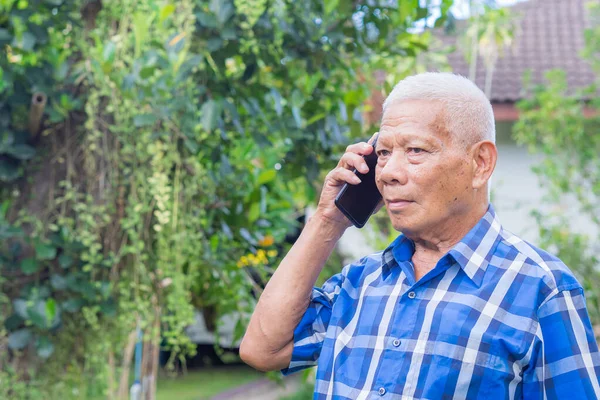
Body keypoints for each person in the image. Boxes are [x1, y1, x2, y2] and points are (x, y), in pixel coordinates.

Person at [239, 72, 600, 399]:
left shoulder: (542, 289)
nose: (389, 173)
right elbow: (263, 349)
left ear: (480, 164)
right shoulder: (360, 281)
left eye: (415, 150)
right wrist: (327, 221)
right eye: (382, 153)